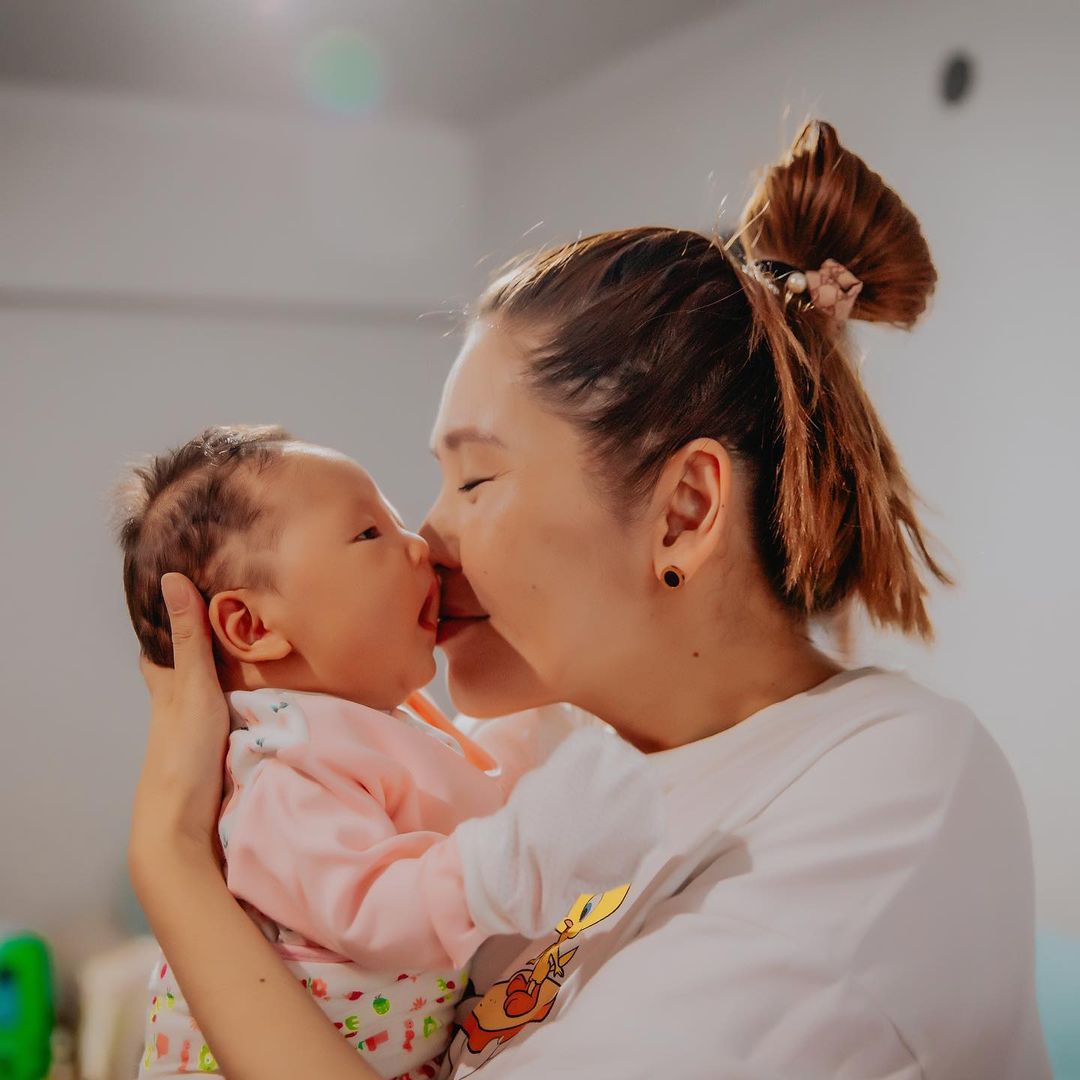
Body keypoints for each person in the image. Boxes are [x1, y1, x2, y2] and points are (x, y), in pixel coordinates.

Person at [128, 121, 1052, 1078]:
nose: (426, 541)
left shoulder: (887, 798)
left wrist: (172, 865)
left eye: (475, 480)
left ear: (683, 511)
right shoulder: (565, 758)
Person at [112, 426, 661, 1077]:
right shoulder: (281, 771)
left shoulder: (366, 721)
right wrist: (503, 867)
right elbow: (369, 906)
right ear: (253, 626)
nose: (419, 544)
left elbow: (466, 788)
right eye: (369, 534)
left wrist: (547, 727)